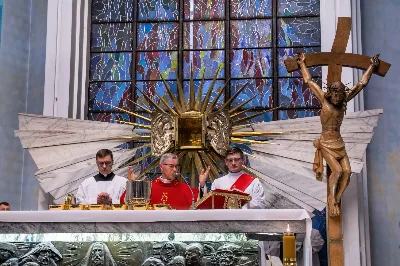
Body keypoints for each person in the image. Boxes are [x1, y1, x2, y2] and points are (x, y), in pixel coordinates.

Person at [297, 53, 379, 216]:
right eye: (334, 94)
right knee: (338, 171)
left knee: (347, 172)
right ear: (330, 93)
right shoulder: (324, 100)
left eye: (339, 94)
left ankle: (336, 198)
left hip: (339, 143)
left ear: (342, 94)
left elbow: (360, 84)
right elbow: (309, 82)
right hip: (326, 143)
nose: (336, 97)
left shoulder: (343, 101)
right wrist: (302, 65)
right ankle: (331, 198)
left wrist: (371, 67)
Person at [120, 153, 202, 210]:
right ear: (161, 167)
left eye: (176, 166)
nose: (175, 169)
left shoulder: (185, 189)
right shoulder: (149, 188)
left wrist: (201, 184)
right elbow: (127, 205)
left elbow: (201, 205)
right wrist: (132, 185)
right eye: (171, 166)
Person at [199, 147, 266, 209]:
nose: (233, 163)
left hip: (246, 219)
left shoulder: (254, 182)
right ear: (226, 162)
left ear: (243, 160)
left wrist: (242, 200)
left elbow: (260, 204)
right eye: (230, 160)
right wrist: (202, 185)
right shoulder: (218, 183)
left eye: (236, 159)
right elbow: (210, 204)